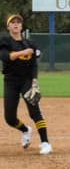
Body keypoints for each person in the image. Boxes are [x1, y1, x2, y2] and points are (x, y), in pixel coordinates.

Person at [0, 14, 52, 154]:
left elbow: (34, 64)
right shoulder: (5, 41)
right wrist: (23, 52)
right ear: (8, 26)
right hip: (10, 81)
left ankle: (45, 142)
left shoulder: (30, 44)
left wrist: (34, 80)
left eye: (18, 22)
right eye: (13, 22)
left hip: (26, 80)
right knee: (9, 118)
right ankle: (25, 130)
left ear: (22, 26)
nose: (16, 24)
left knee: (34, 111)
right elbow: (6, 57)